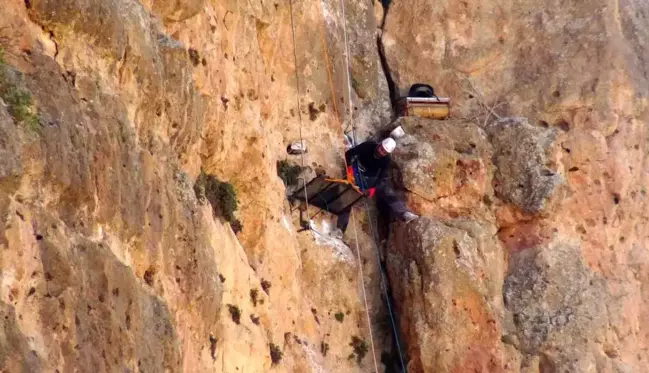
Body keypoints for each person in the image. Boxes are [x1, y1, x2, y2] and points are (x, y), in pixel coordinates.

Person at [334, 137, 418, 235]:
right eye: (381, 148)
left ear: (387, 153)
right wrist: (348, 167)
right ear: (379, 144)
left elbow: (381, 177)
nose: (381, 152)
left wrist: (373, 187)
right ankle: (340, 229)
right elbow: (349, 153)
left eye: (384, 152)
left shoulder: (386, 160)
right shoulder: (368, 146)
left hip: (369, 177)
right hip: (356, 170)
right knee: (348, 196)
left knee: (386, 190)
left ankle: (403, 213)